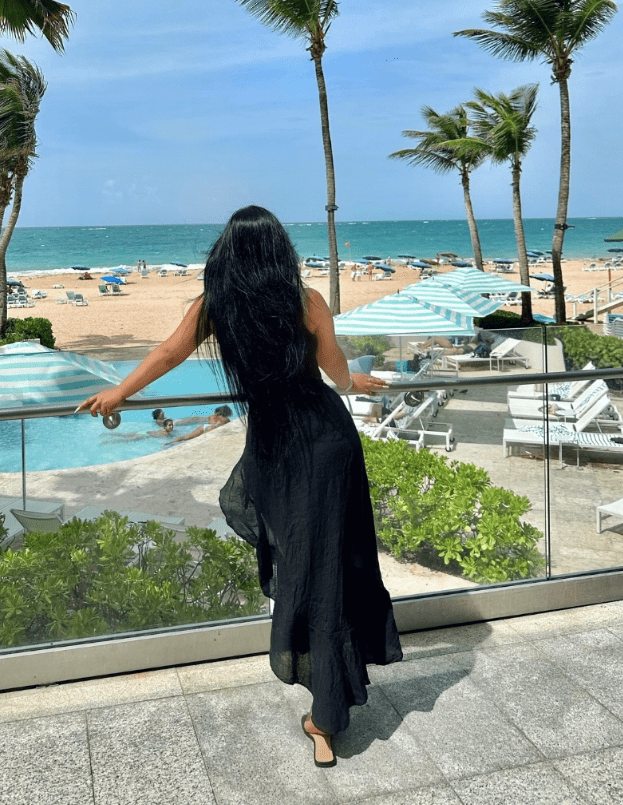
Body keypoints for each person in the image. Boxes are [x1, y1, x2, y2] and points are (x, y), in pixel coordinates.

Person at [79, 205, 402, 768]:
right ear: (281, 252)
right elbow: (333, 367)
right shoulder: (305, 301)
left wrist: (119, 393)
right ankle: (329, 703)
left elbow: (166, 354)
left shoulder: (215, 306)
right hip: (328, 440)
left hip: (278, 451)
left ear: (226, 253)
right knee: (332, 562)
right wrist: (354, 381)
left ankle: (326, 712)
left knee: (309, 566)